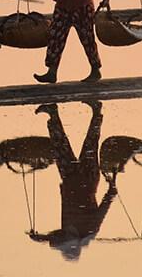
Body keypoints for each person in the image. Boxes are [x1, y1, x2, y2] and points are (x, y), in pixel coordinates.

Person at [29, 101, 117, 261]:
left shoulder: (67, 233)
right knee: (91, 142)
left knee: (59, 146)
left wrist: (41, 238)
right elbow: (104, 208)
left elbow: (53, 238)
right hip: (87, 178)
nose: (61, 239)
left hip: (69, 180)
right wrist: (111, 191)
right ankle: (97, 111)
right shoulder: (90, 229)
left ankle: (53, 113)